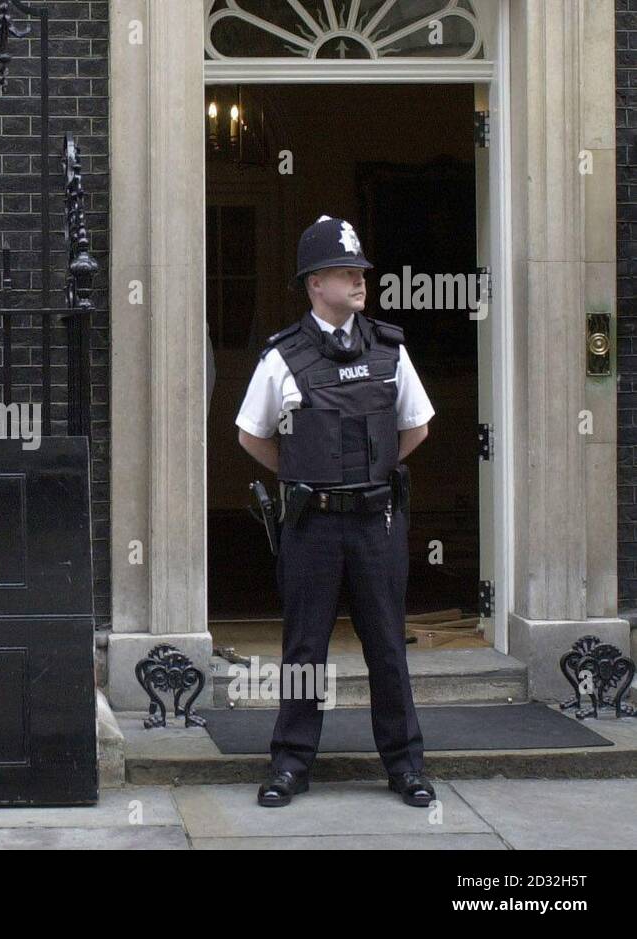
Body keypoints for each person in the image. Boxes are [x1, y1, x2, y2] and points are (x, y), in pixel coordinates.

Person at [234, 215, 437, 808]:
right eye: (346, 272)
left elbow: (417, 427)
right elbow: (252, 435)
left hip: (376, 521)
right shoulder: (283, 357)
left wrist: (367, 475)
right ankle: (291, 764)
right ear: (314, 283)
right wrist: (304, 476)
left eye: (361, 272)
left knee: (386, 647)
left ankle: (405, 765)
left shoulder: (389, 350)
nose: (359, 280)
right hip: (312, 525)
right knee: (304, 649)